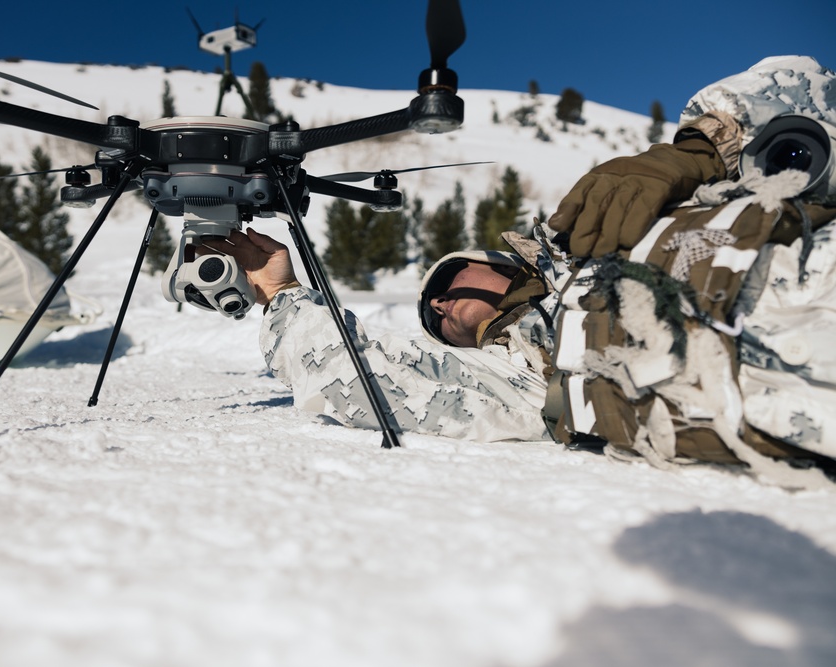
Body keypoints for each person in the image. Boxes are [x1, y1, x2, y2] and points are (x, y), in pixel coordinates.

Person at [203, 56, 836, 487]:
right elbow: (356, 381)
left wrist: (703, 150)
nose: (440, 310)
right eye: (432, 319)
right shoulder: (527, 386)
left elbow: (807, 85)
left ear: (504, 270)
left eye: (449, 286)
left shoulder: (604, 222)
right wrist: (281, 294)